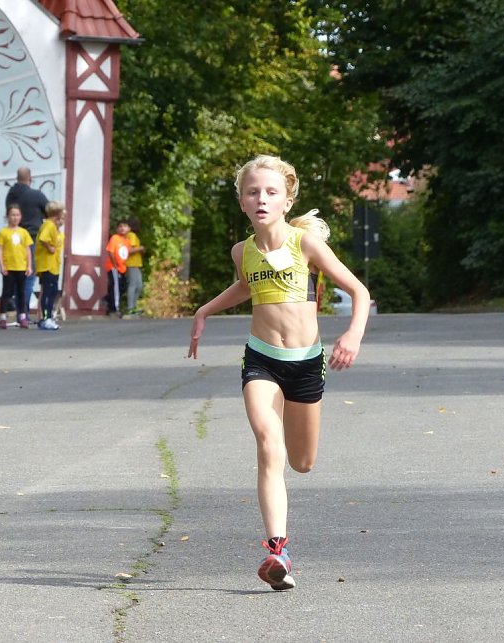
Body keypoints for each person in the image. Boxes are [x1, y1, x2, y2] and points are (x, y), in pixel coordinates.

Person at [187, 154, 371, 591]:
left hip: (306, 363)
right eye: (253, 192)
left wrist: (352, 335)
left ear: (287, 201)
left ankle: (280, 545)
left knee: (302, 462)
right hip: (262, 359)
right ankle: (278, 551)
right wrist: (204, 310)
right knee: (269, 445)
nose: (261, 199)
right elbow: (246, 285)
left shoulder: (305, 245)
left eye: (271, 192)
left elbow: (359, 291)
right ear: (242, 202)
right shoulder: (242, 251)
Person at [6, 167, 48, 313]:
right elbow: (50, 211)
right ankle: (23, 312)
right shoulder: (36, 195)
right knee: (29, 277)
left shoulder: (10, 196)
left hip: (13, 240)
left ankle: (13, 310)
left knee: (15, 277)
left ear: (17, 178)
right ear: (30, 178)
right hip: (31, 239)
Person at [0, 204, 34, 329]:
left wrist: (29, 266)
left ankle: (22, 316)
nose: (15, 217)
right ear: (7, 217)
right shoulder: (3, 232)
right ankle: (3, 317)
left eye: (17, 215)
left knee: (21, 292)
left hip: (21, 266)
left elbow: (27, 249)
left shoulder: (24, 232)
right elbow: (0, 249)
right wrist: (1, 265)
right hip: (9, 267)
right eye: (12, 215)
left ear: (21, 216)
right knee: (6, 292)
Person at [35, 201, 65, 330]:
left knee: (52, 291)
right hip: (47, 265)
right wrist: (49, 247)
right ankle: (46, 318)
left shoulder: (54, 228)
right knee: (47, 292)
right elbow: (43, 238)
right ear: (57, 213)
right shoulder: (49, 225)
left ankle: (48, 317)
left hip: (53, 265)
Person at [104, 220, 131, 316]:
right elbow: (111, 252)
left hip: (122, 267)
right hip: (113, 267)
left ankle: (107, 300)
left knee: (122, 287)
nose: (122, 228)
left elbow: (125, 254)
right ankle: (115, 308)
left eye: (125, 226)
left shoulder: (127, 242)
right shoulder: (115, 238)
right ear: (117, 229)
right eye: (120, 226)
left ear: (129, 229)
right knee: (116, 287)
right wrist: (115, 264)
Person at [125, 216, 145, 314]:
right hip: (131, 264)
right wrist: (140, 248)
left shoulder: (132, 235)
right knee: (133, 285)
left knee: (139, 286)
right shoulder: (131, 235)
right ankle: (130, 307)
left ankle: (133, 306)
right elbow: (129, 250)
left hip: (136, 264)